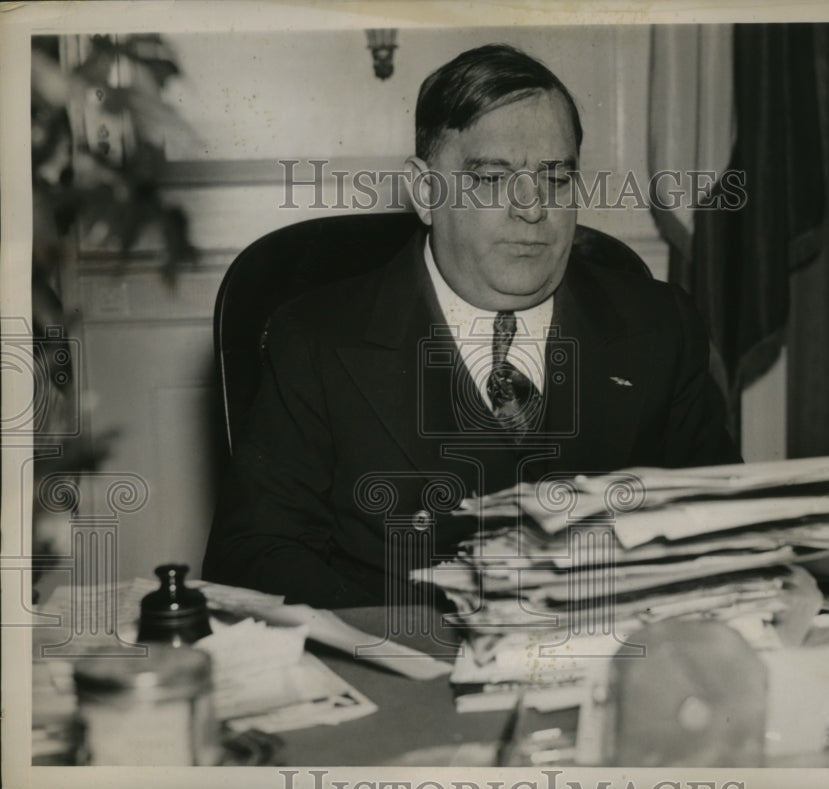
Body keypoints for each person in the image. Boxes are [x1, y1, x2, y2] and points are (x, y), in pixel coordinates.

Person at [203, 44, 739, 608]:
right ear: (426, 193)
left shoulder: (659, 325)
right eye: (492, 179)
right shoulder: (315, 338)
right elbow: (254, 556)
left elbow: (724, 529)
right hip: (408, 663)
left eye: (556, 179)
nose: (532, 210)